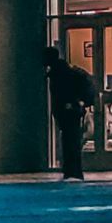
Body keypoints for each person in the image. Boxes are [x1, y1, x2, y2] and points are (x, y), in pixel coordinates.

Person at [44, 45, 96, 181]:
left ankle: (72, 170)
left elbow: (62, 94)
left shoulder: (60, 73)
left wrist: (73, 104)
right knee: (71, 140)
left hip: (69, 110)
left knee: (70, 141)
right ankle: (72, 170)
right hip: (72, 110)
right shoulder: (67, 71)